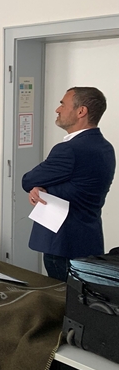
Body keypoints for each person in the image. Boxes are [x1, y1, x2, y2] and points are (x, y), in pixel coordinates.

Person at [23, 87, 116, 281]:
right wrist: (44, 188)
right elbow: (79, 185)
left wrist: (39, 186)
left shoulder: (69, 150)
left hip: (63, 244)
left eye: (63, 104)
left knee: (64, 300)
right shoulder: (105, 147)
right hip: (89, 240)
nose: (57, 110)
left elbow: (28, 180)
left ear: (81, 111)